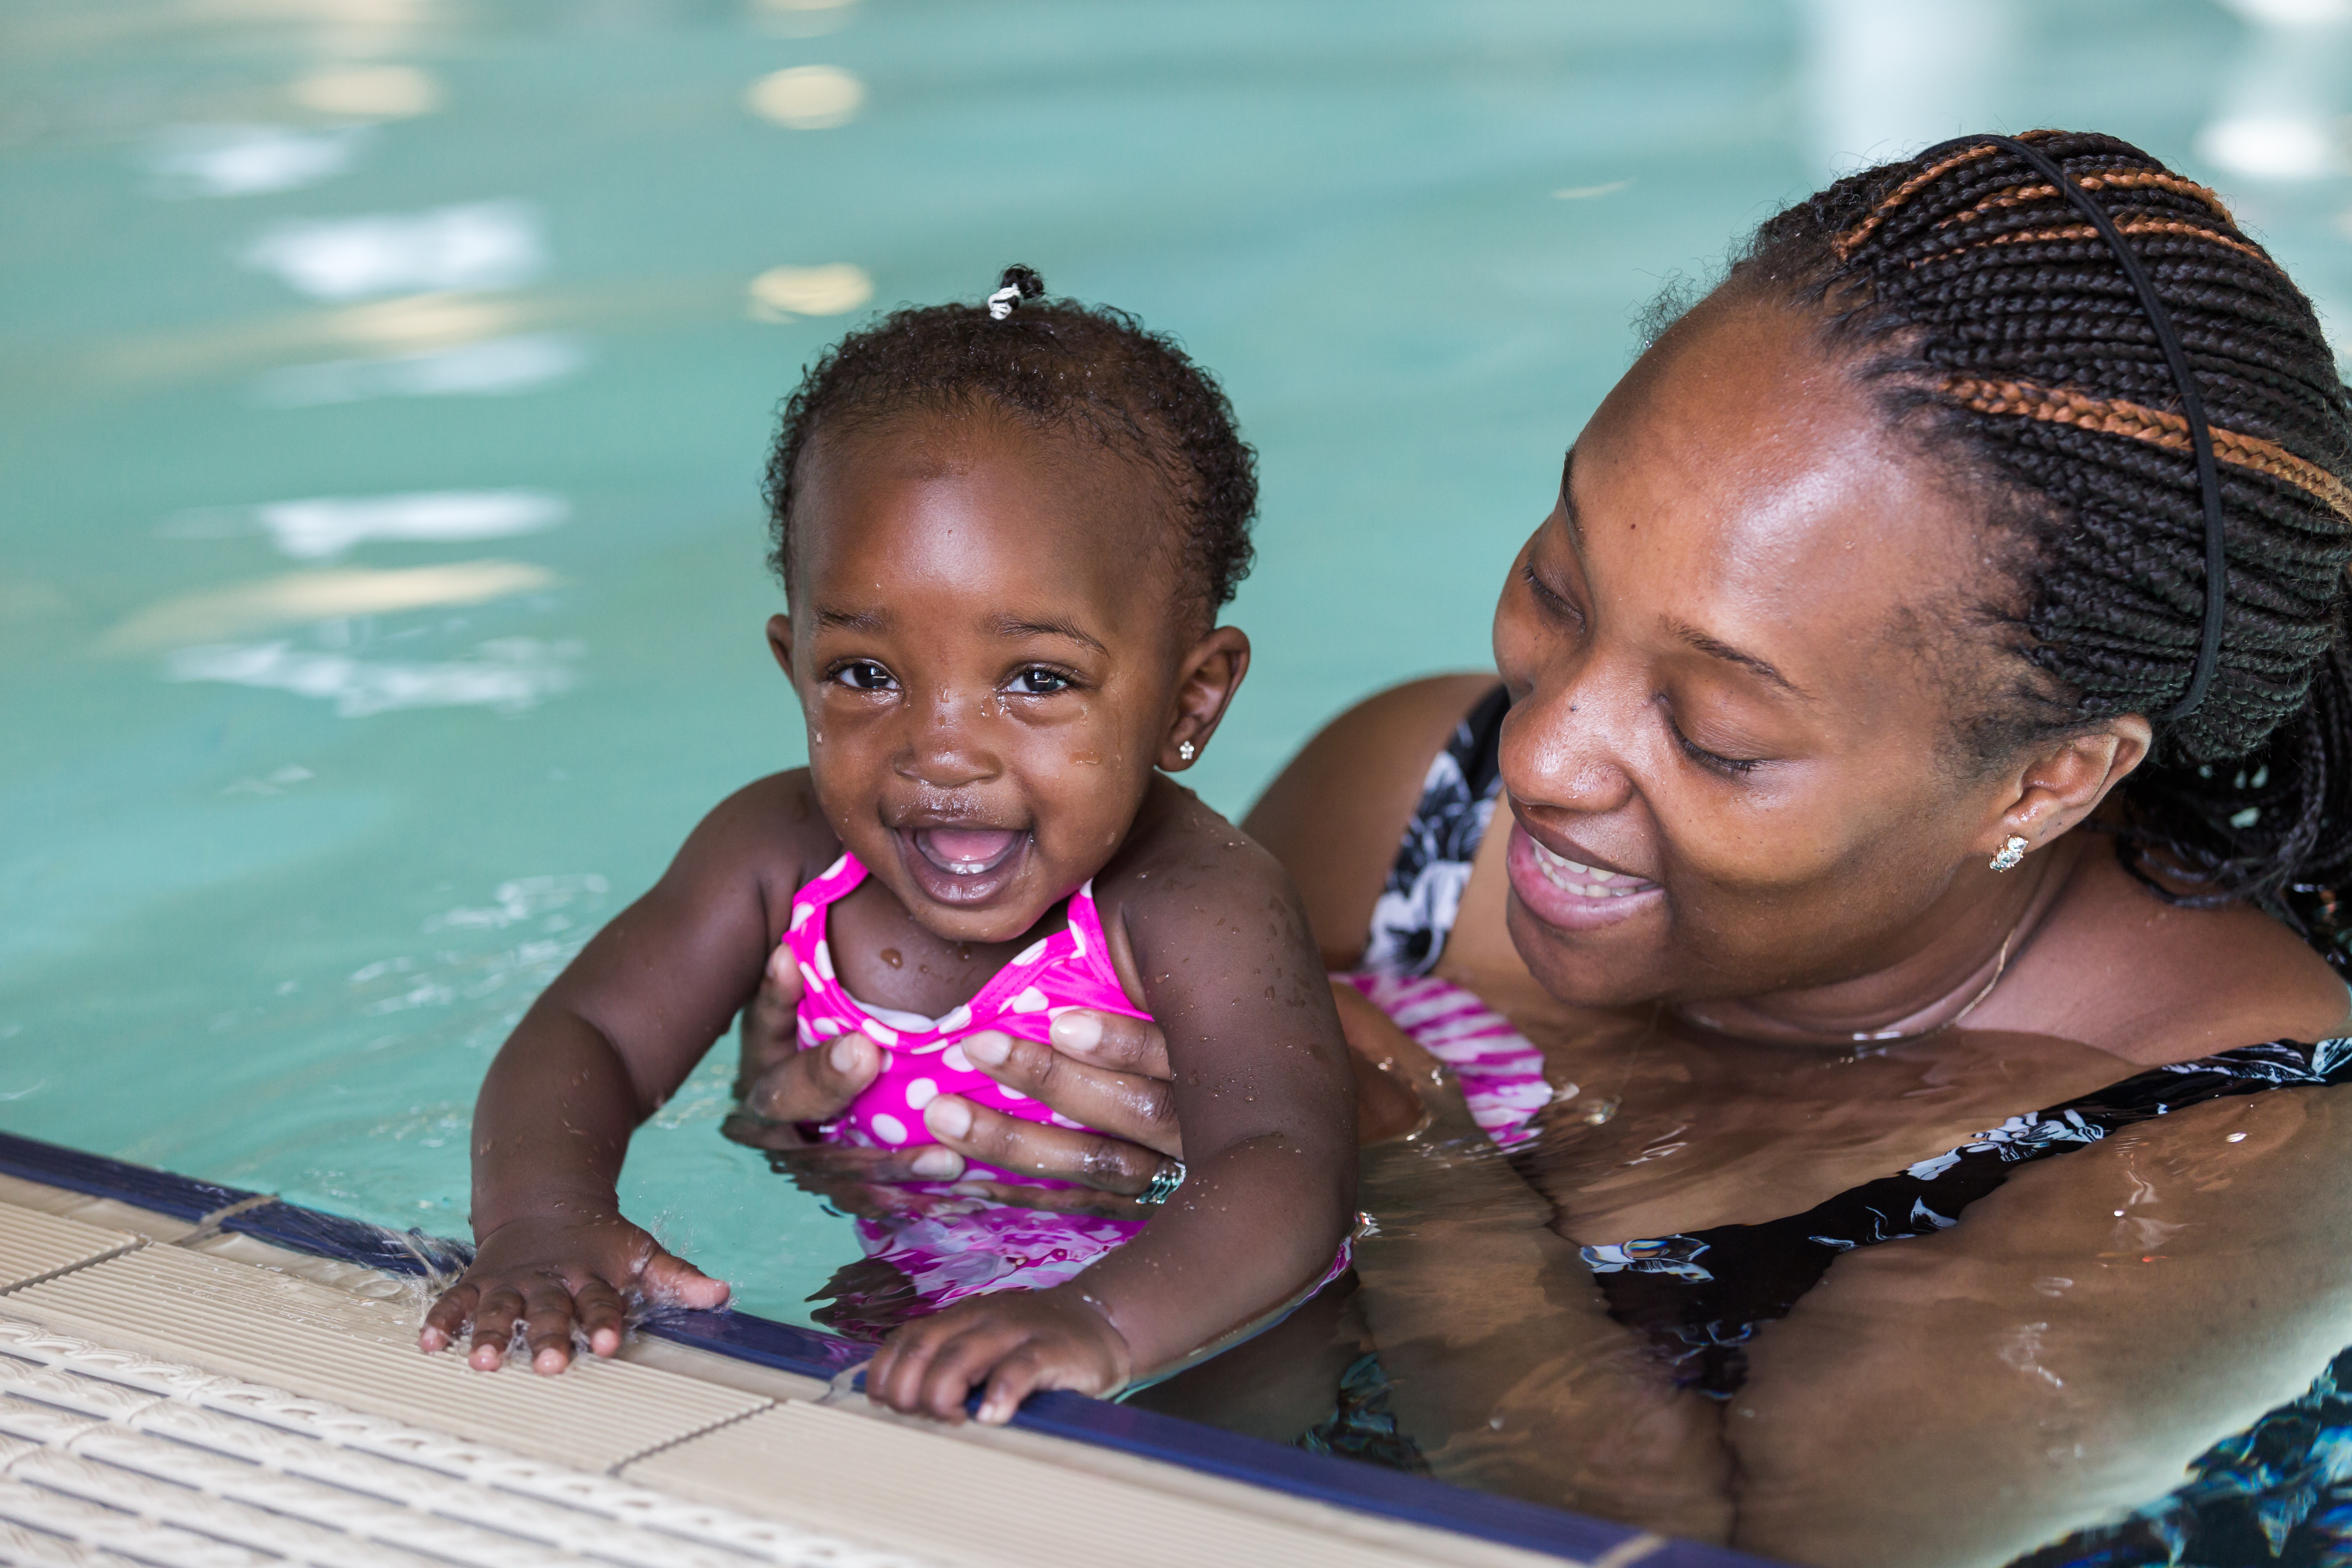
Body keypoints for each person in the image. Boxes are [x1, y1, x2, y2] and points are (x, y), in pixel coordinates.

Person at [731, 132, 2352, 1566]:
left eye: (1716, 733)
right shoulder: (1409, 810)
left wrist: (1412, 1163)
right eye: (1561, 587)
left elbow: (1715, 1553)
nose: (1541, 753)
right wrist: (876, 1093)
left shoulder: (2233, 1157)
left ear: (2048, 782)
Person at [421, 267, 1358, 1428]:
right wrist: (542, 1217)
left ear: (1190, 700)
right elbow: (591, 1034)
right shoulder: (774, 852)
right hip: (917, 1282)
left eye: (1036, 679)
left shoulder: (1196, 899)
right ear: (792, 664)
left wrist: (1099, 1323)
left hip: (1189, 1325)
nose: (940, 751)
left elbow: (1281, 1161)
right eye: (866, 675)